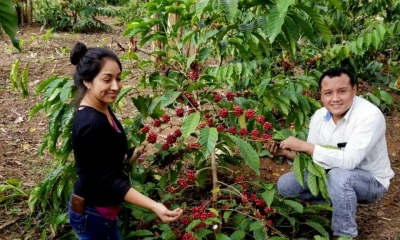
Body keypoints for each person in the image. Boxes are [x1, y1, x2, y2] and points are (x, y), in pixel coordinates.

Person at [68, 42, 183, 240]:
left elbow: (99, 160)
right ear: (87, 81)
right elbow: (108, 179)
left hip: (98, 209)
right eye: (107, 79)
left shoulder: (101, 105)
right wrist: (154, 205)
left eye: (118, 78)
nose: (116, 86)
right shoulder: (92, 124)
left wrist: (128, 158)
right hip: (93, 214)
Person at [267, 67, 394, 238]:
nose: (335, 99)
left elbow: (349, 161)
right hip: (332, 174)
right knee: (286, 185)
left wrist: (305, 146)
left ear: (354, 90)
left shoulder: (369, 116)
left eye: (342, 91)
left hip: (372, 182)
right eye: (328, 93)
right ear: (320, 94)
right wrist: (286, 154)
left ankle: (344, 234)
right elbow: (313, 159)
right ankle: (342, 203)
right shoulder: (319, 117)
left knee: (339, 176)